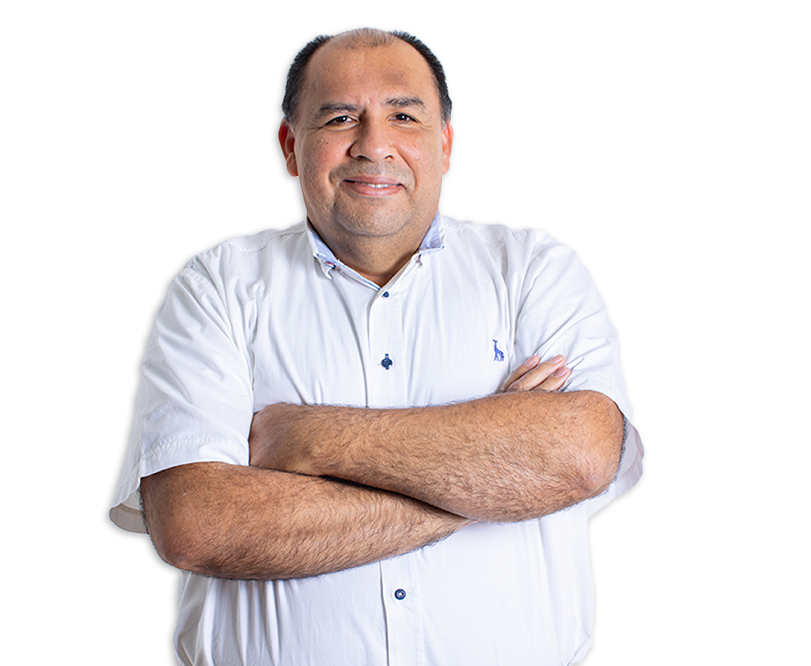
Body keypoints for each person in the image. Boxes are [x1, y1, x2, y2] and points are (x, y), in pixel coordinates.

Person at [110, 27, 643, 666]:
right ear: (291, 146)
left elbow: (582, 454)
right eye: (340, 118)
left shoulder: (532, 272)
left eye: (403, 117)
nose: (374, 145)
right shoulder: (217, 289)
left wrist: (308, 439)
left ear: (444, 143)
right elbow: (197, 525)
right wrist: (495, 482)